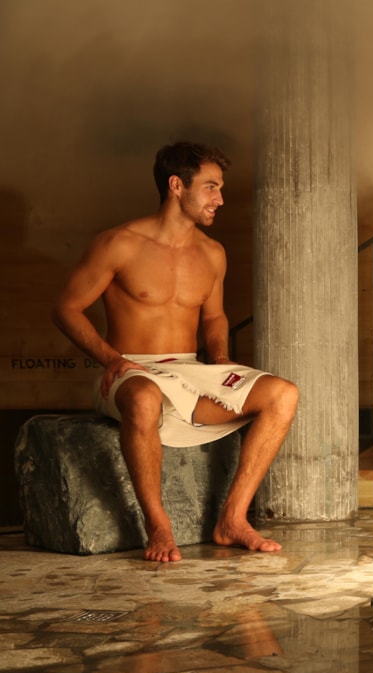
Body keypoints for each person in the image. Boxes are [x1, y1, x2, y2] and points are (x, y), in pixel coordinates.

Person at [53, 141, 299, 563]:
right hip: (132, 372)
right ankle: (159, 527)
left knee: (283, 394)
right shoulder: (119, 243)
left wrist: (219, 358)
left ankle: (232, 520)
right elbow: (66, 309)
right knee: (145, 398)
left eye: (220, 188)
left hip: (190, 370)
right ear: (176, 185)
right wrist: (112, 359)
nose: (220, 199)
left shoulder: (212, 253)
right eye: (210, 187)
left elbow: (214, 317)